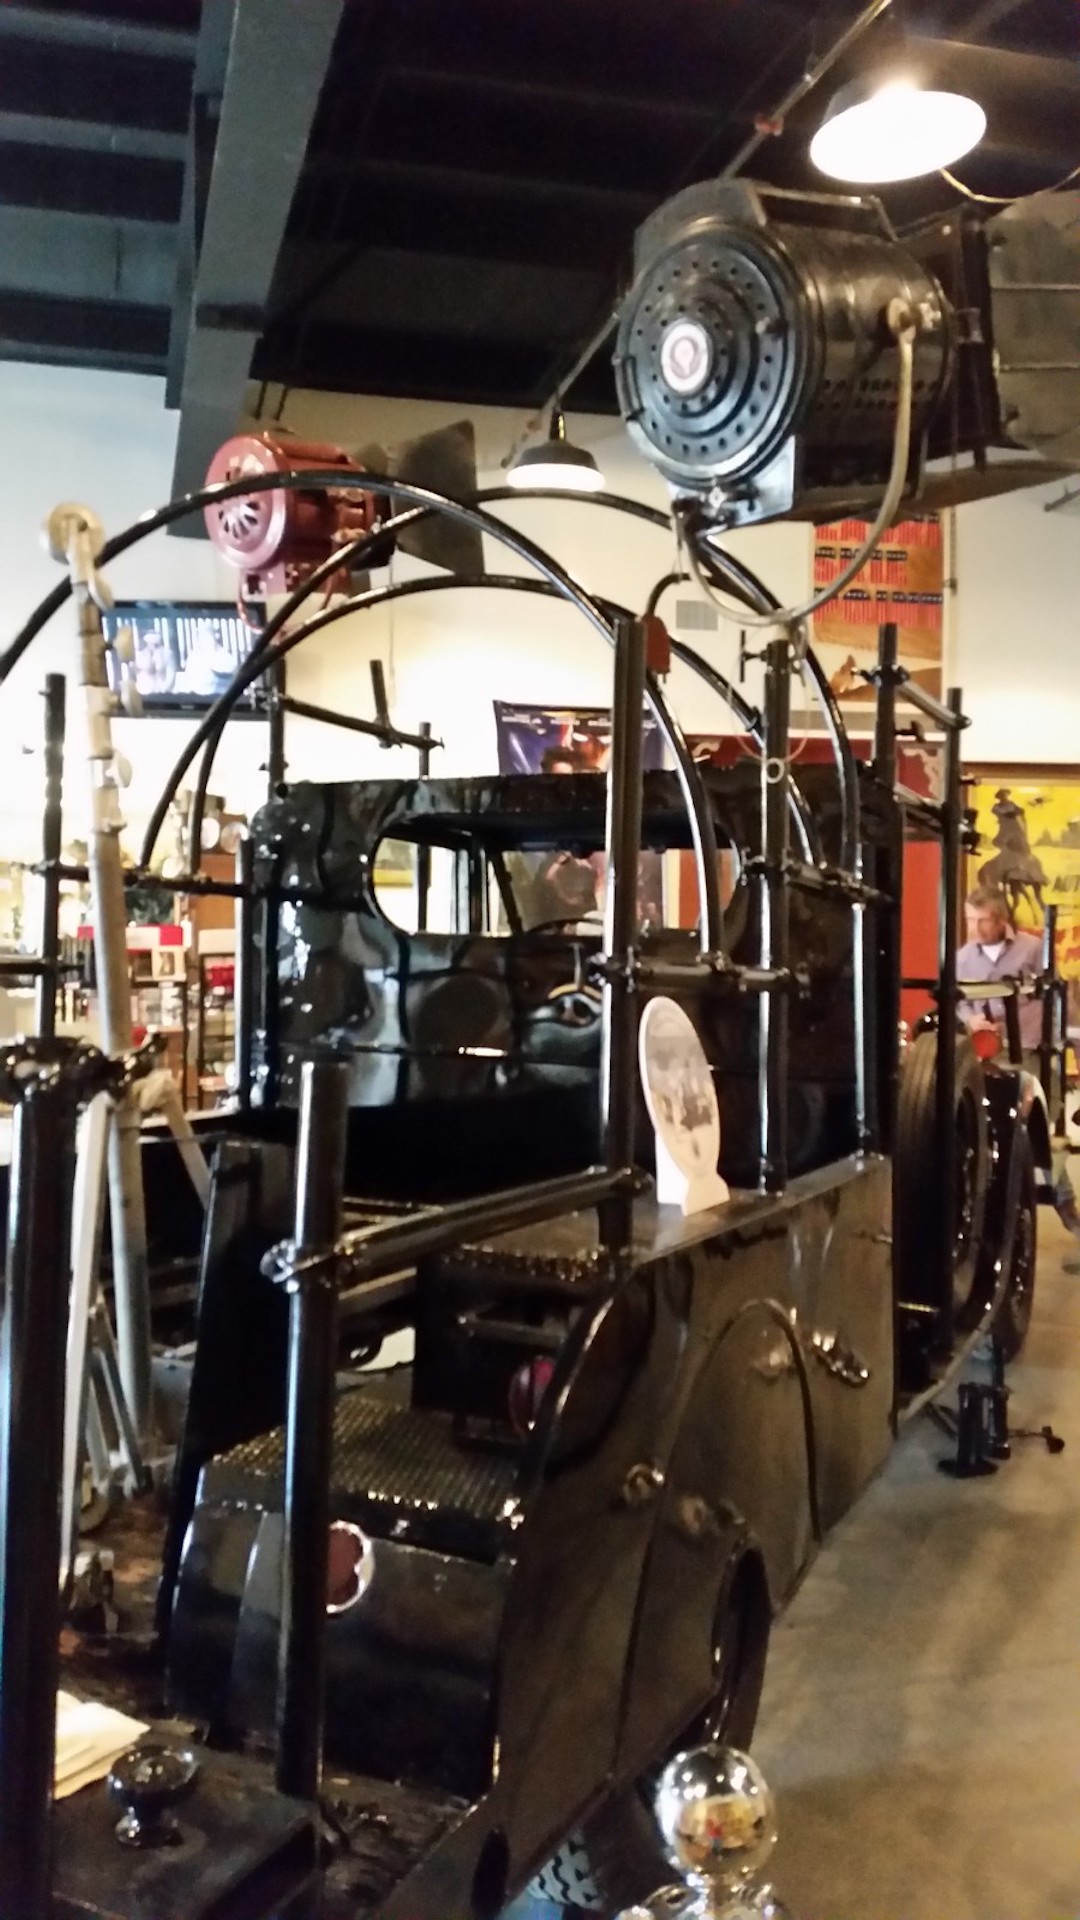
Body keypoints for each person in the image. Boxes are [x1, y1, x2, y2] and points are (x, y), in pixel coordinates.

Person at [956, 884, 1080, 1265]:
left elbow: (1061, 1003)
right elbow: (958, 1002)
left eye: (982, 920)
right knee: (993, 1138)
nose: (974, 927)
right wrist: (970, 1020)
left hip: (1030, 1055)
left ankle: (1061, 1206)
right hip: (986, 1058)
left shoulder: (1032, 951)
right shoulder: (962, 958)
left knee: (1030, 1134)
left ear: (1001, 920)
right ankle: (1001, 1222)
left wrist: (1069, 1040)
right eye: (970, 920)